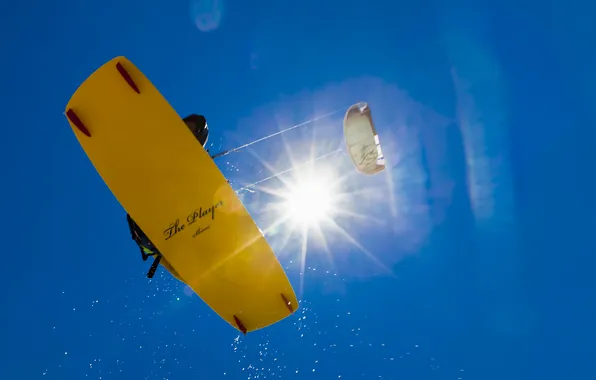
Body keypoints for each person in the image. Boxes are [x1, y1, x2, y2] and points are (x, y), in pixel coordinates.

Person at [126, 114, 210, 279]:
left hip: (181, 229)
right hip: (151, 232)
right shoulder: (157, 156)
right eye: (181, 129)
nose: (182, 134)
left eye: (188, 131)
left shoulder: (198, 169)